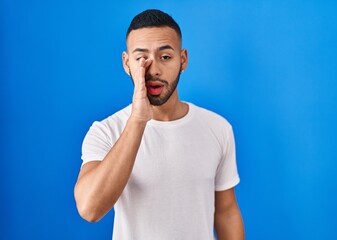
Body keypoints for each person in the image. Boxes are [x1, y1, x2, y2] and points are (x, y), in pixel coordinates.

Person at [74, 9, 245, 240]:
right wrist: (138, 119)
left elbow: (226, 213)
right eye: (141, 58)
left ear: (182, 59)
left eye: (165, 57)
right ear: (127, 63)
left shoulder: (217, 127)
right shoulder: (106, 131)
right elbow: (89, 209)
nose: (153, 70)